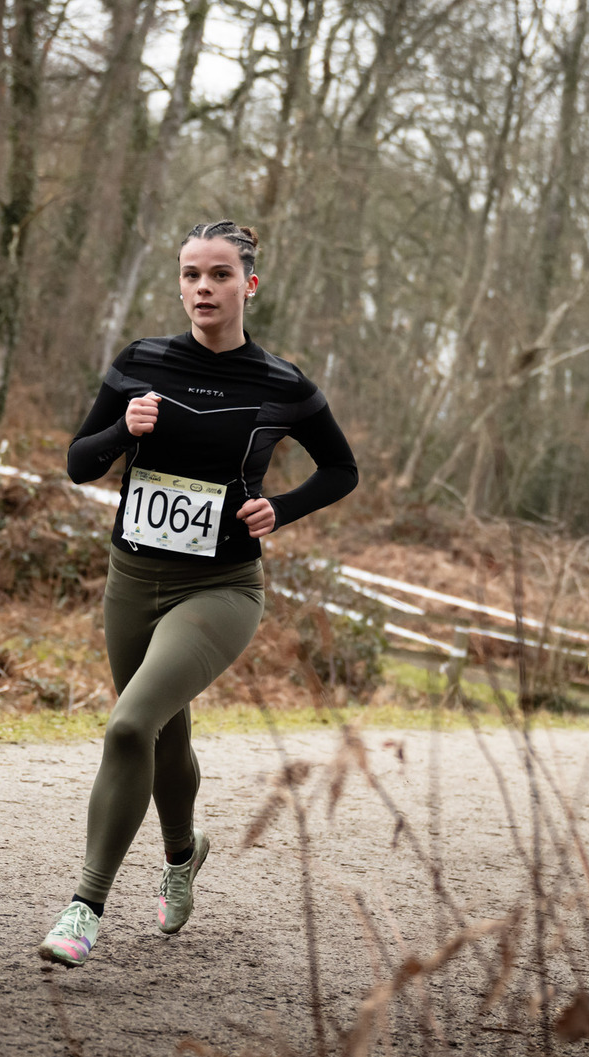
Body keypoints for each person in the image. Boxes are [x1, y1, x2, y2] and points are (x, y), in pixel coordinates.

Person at [38, 220, 359, 968]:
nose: (203, 288)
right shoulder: (141, 362)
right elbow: (79, 463)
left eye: (219, 275)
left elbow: (341, 469)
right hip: (132, 580)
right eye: (191, 275)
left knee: (129, 726)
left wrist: (281, 509)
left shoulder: (281, 384)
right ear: (179, 284)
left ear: (249, 285)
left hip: (220, 587)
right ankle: (183, 854)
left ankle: (84, 907)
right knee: (163, 732)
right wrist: (123, 429)